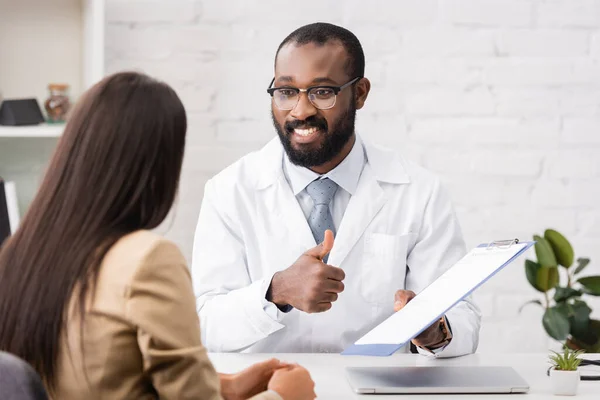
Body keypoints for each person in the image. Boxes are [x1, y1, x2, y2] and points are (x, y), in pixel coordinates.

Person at [0, 72, 316, 400]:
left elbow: (101, 374)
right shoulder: (147, 259)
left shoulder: (19, 255)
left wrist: (226, 386)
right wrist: (284, 396)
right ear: (158, 166)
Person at [192, 22, 481, 356]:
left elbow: (464, 317)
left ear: (359, 94)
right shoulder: (229, 191)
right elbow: (206, 325)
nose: (300, 111)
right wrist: (276, 291)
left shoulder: (420, 192)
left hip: (375, 391)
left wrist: (436, 330)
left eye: (322, 92)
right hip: (269, 389)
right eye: (286, 92)